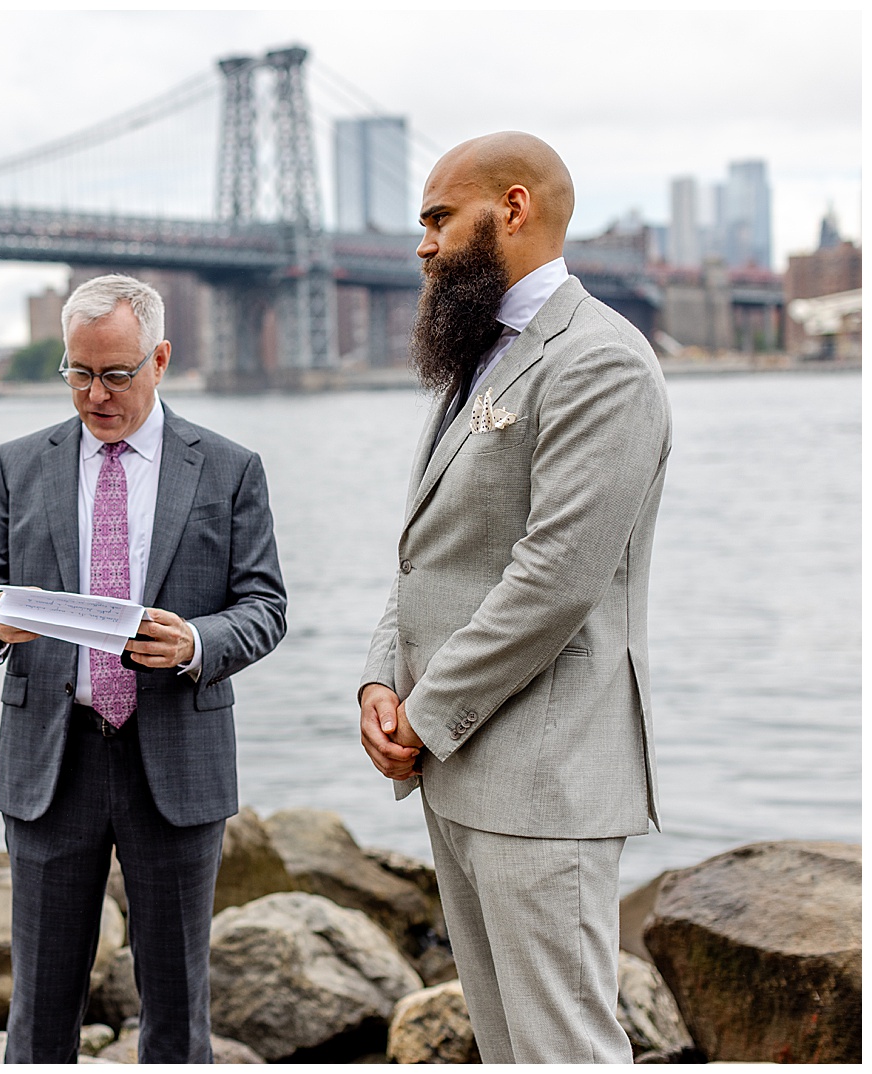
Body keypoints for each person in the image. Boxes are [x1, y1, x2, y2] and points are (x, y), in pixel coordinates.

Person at [357, 133, 672, 1064]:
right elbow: (430, 556)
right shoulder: (476, 360)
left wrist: (426, 710)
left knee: (564, 1047)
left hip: (544, 771)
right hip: (457, 767)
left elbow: (555, 578)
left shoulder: (601, 363)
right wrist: (382, 678)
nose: (422, 244)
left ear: (515, 207)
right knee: (505, 1047)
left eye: (438, 218)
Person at [0, 274, 287, 1063]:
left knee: (176, 1018)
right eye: (78, 373)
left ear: (160, 359)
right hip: (50, 765)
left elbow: (265, 607)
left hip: (175, 764)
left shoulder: (231, 469)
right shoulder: (15, 464)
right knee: (38, 1018)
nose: (95, 395)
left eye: (116, 374)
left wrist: (197, 643)